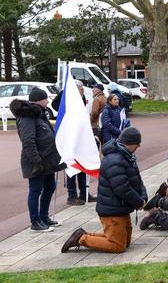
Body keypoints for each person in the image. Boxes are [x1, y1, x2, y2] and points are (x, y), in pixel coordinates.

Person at [61, 127, 148, 253]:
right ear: (129, 142)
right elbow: (122, 189)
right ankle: (81, 238)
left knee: (124, 242)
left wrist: (143, 197)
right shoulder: (115, 160)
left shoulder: (127, 156)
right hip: (112, 211)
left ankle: (82, 235)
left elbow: (137, 180)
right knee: (118, 246)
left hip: (120, 208)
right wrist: (139, 202)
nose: (138, 146)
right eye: (137, 143)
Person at [10, 88, 66, 232]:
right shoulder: (27, 116)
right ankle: (35, 222)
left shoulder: (39, 114)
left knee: (50, 187)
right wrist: (36, 162)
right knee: (35, 191)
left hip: (47, 161)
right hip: (36, 162)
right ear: (39, 100)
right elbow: (28, 141)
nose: (48, 101)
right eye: (46, 99)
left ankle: (44, 217)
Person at [66, 80, 97, 205]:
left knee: (84, 167)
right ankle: (72, 195)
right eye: (80, 89)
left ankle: (84, 193)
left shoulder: (81, 100)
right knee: (73, 169)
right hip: (71, 141)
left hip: (82, 139)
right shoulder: (67, 101)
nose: (83, 91)